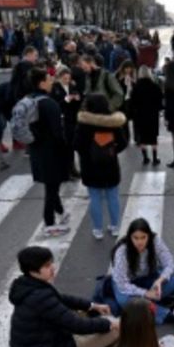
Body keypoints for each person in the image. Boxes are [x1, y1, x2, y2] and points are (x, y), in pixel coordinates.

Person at [9, 246, 119, 347]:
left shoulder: (27, 284)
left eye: (51, 263)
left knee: (80, 313)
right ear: (33, 271)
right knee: (118, 330)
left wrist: (93, 306)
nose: (53, 267)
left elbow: (61, 299)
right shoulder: (40, 297)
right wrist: (109, 324)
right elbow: (77, 325)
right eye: (47, 266)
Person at [110, 218, 174, 328]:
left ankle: (150, 302)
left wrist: (160, 281)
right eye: (136, 238)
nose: (140, 242)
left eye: (143, 237)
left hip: (148, 278)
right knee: (127, 303)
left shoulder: (155, 241)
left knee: (173, 282)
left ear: (149, 236)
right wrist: (146, 293)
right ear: (130, 237)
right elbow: (123, 285)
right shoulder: (122, 251)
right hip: (127, 285)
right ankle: (169, 315)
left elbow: (169, 262)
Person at [75, 94, 129, 240]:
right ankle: (115, 227)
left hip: (90, 166)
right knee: (113, 195)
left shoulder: (84, 123)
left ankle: (98, 229)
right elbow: (123, 143)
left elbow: (77, 145)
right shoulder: (113, 123)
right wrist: (111, 151)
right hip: (110, 165)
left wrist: (89, 153)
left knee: (95, 198)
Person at [26, 68, 72, 236]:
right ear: (41, 83)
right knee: (52, 188)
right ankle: (49, 223)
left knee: (51, 184)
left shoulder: (29, 100)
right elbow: (58, 132)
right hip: (52, 152)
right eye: (49, 79)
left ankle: (61, 212)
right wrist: (66, 151)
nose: (52, 81)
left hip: (36, 150)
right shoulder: (49, 103)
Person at [50, 66, 82, 178]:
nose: (67, 80)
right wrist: (65, 100)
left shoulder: (72, 86)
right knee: (64, 147)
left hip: (72, 119)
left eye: (68, 78)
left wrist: (77, 99)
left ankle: (72, 169)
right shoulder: (54, 88)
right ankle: (65, 171)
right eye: (64, 78)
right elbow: (53, 105)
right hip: (61, 120)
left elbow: (78, 100)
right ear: (59, 77)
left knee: (71, 146)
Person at [129, 66, 163, 166]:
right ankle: (155, 158)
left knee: (143, 137)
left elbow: (132, 102)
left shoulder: (136, 87)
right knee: (153, 137)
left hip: (140, 115)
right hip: (152, 115)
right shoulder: (155, 86)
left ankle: (145, 158)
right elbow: (160, 100)